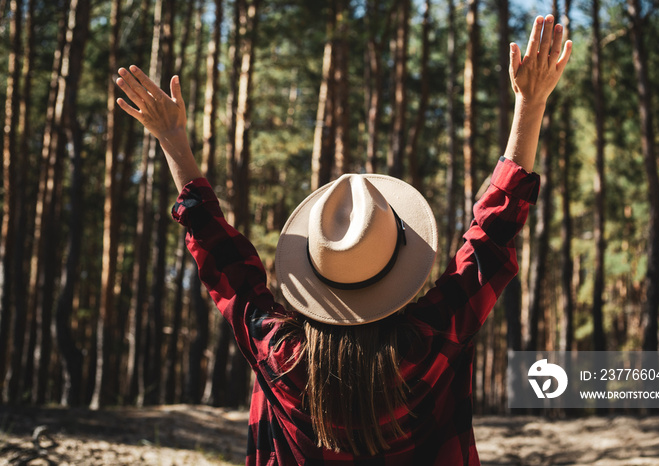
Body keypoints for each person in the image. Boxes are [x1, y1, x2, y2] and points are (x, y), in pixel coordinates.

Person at [116, 14, 572, 465]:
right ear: (399, 265)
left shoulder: (280, 355)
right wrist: (529, 106)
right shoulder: (431, 341)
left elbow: (221, 255)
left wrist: (174, 139)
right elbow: (490, 239)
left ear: (315, 272)